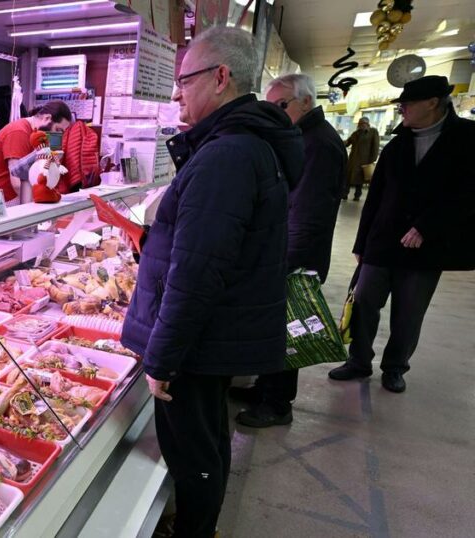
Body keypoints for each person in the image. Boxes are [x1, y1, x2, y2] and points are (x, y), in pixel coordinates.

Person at [120, 27, 303, 537]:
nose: (176, 92)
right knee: (208, 441)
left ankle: (196, 531)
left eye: (184, 80)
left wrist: (162, 358)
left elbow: (197, 272)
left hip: (199, 345)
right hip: (217, 335)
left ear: (221, 78)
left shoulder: (227, 155)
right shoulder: (242, 145)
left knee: (195, 454)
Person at [329, 76, 475, 393]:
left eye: (407, 104)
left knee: (408, 312)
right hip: (383, 239)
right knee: (365, 298)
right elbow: (378, 195)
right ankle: (358, 360)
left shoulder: (466, 139)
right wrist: (361, 241)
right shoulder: (398, 143)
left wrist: (426, 226)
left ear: (433, 103)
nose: (402, 110)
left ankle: (395, 367)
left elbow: (466, 194)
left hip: (427, 245)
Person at [233, 73, 347, 428]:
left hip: (297, 256)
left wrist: (284, 262)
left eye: (281, 106)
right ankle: (267, 390)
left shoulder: (318, 144)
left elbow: (308, 214)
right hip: (290, 250)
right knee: (275, 325)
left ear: (306, 102)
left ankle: (278, 404)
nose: (275, 113)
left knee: (288, 328)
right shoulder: (303, 137)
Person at [0, 100, 72, 203]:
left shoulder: (41, 135)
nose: (58, 135)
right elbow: (17, 183)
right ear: (47, 118)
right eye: (58, 129)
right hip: (3, 202)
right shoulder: (19, 132)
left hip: (21, 196)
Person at [344, 117, 380, 201]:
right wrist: (341, 142)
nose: (361, 125)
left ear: (367, 124)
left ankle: (357, 195)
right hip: (353, 160)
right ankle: (344, 194)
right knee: (348, 178)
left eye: (363, 123)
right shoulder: (355, 133)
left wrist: (372, 159)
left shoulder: (373, 132)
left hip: (364, 160)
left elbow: (375, 146)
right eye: (360, 124)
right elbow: (347, 143)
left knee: (359, 180)